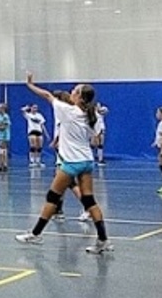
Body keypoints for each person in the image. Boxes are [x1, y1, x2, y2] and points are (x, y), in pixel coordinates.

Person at [16, 74, 113, 254]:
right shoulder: (92, 116)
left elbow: (47, 95)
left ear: (80, 98)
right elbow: (95, 138)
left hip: (71, 162)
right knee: (89, 200)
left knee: (52, 198)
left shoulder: (68, 111)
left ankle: (36, 234)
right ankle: (103, 240)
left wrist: (30, 85)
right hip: (87, 161)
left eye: (75, 91)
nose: (71, 92)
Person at [0, 103, 11, 172]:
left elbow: (5, 126)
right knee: (1, 149)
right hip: (0, 135)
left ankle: (2, 164)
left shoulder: (5, 116)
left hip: (5, 135)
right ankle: (1, 164)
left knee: (2, 148)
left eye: (0, 108)